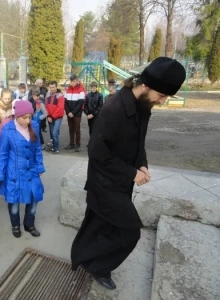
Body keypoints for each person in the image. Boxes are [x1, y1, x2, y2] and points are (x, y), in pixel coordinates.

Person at [71, 57, 186, 290]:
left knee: (98, 224)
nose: (162, 101)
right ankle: (98, 267)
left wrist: (142, 164)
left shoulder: (144, 106)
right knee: (130, 232)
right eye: (161, 95)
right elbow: (96, 152)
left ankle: (83, 257)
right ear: (145, 86)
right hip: (104, 182)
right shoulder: (113, 108)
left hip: (120, 181)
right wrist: (131, 173)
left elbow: (138, 142)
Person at [0, 101, 45, 238]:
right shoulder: (7, 130)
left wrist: (40, 166)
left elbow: (37, 150)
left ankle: (29, 224)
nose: (28, 120)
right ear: (16, 116)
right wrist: (0, 174)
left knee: (34, 199)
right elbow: (3, 154)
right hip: (14, 173)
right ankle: (15, 225)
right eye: (25, 117)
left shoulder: (34, 126)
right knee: (14, 203)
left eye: (30, 117)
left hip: (32, 171)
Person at [64, 74, 85, 152]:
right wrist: (68, 112)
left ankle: (78, 144)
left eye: (73, 81)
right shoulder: (67, 90)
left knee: (77, 129)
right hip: (69, 113)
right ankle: (72, 144)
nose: (72, 83)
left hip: (77, 114)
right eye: (71, 81)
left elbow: (80, 103)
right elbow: (65, 102)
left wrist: (73, 112)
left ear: (77, 81)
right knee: (71, 129)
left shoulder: (81, 90)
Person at [45, 81, 65, 153]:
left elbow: (60, 108)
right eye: (50, 87)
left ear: (56, 87)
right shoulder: (48, 95)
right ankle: (53, 146)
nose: (52, 89)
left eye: (53, 87)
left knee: (54, 132)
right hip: (50, 117)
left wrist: (52, 117)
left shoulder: (60, 96)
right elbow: (46, 106)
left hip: (58, 117)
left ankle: (56, 147)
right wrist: (48, 116)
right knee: (52, 132)